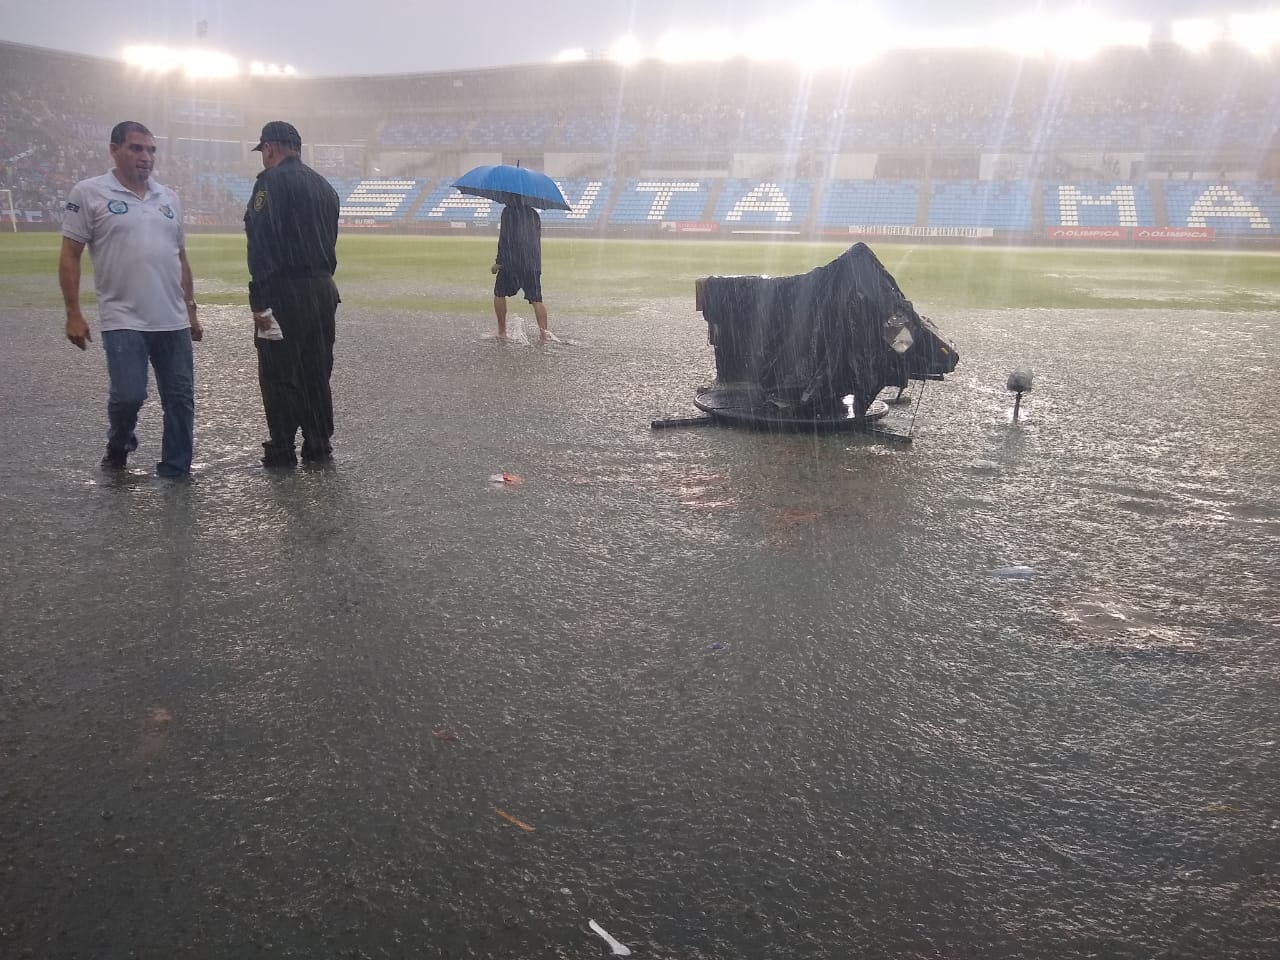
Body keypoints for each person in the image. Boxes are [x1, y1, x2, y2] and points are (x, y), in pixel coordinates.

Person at [59, 120, 203, 478]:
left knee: (181, 400)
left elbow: (180, 257)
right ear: (114, 149)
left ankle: (175, 471)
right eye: (136, 148)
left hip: (172, 318)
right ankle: (119, 444)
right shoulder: (89, 192)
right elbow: (70, 254)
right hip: (123, 318)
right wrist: (73, 313)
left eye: (151, 150)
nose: (146, 157)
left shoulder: (168, 197)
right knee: (129, 396)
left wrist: (192, 310)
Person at [244, 120, 340, 467]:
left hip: (283, 291)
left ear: (269, 147)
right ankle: (318, 442)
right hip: (322, 289)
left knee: (277, 368)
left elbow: (261, 244)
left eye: (263, 152)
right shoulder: (325, 186)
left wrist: (260, 303)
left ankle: (282, 446)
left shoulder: (269, 183)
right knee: (316, 368)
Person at [492, 199, 550, 342]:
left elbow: (505, 238)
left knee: (499, 293)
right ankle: (544, 334)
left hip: (511, 263)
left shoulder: (508, 212)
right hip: (532, 263)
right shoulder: (534, 214)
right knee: (537, 299)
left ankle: (502, 331)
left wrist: (499, 262)